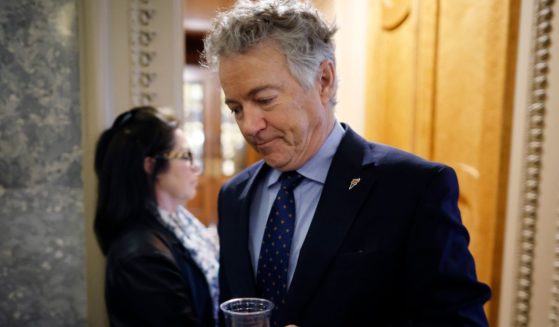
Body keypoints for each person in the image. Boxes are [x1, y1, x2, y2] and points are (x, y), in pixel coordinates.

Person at [203, 0, 491, 326]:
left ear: (323, 80)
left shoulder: (413, 189)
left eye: (264, 99)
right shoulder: (233, 197)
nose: (249, 126)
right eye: (236, 108)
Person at [94, 106, 219, 326]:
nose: (196, 167)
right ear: (151, 166)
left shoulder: (181, 223)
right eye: (186, 156)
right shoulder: (141, 255)